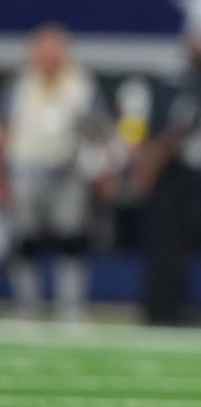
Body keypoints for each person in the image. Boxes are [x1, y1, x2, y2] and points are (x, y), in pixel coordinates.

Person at [0, 23, 115, 322]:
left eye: (55, 51)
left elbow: (99, 130)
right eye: (43, 51)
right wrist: (2, 175)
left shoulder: (80, 84)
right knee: (25, 239)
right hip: (26, 169)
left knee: (71, 238)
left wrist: (103, 170)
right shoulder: (20, 83)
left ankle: (70, 306)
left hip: (68, 170)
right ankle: (28, 304)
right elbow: (5, 130)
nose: (49, 58)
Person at [130, 33, 201, 325]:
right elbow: (176, 130)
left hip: (180, 172)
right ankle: (163, 308)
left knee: (175, 244)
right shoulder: (189, 85)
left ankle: (168, 305)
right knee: (169, 244)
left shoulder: (196, 83)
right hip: (175, 174)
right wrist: (150, 167)